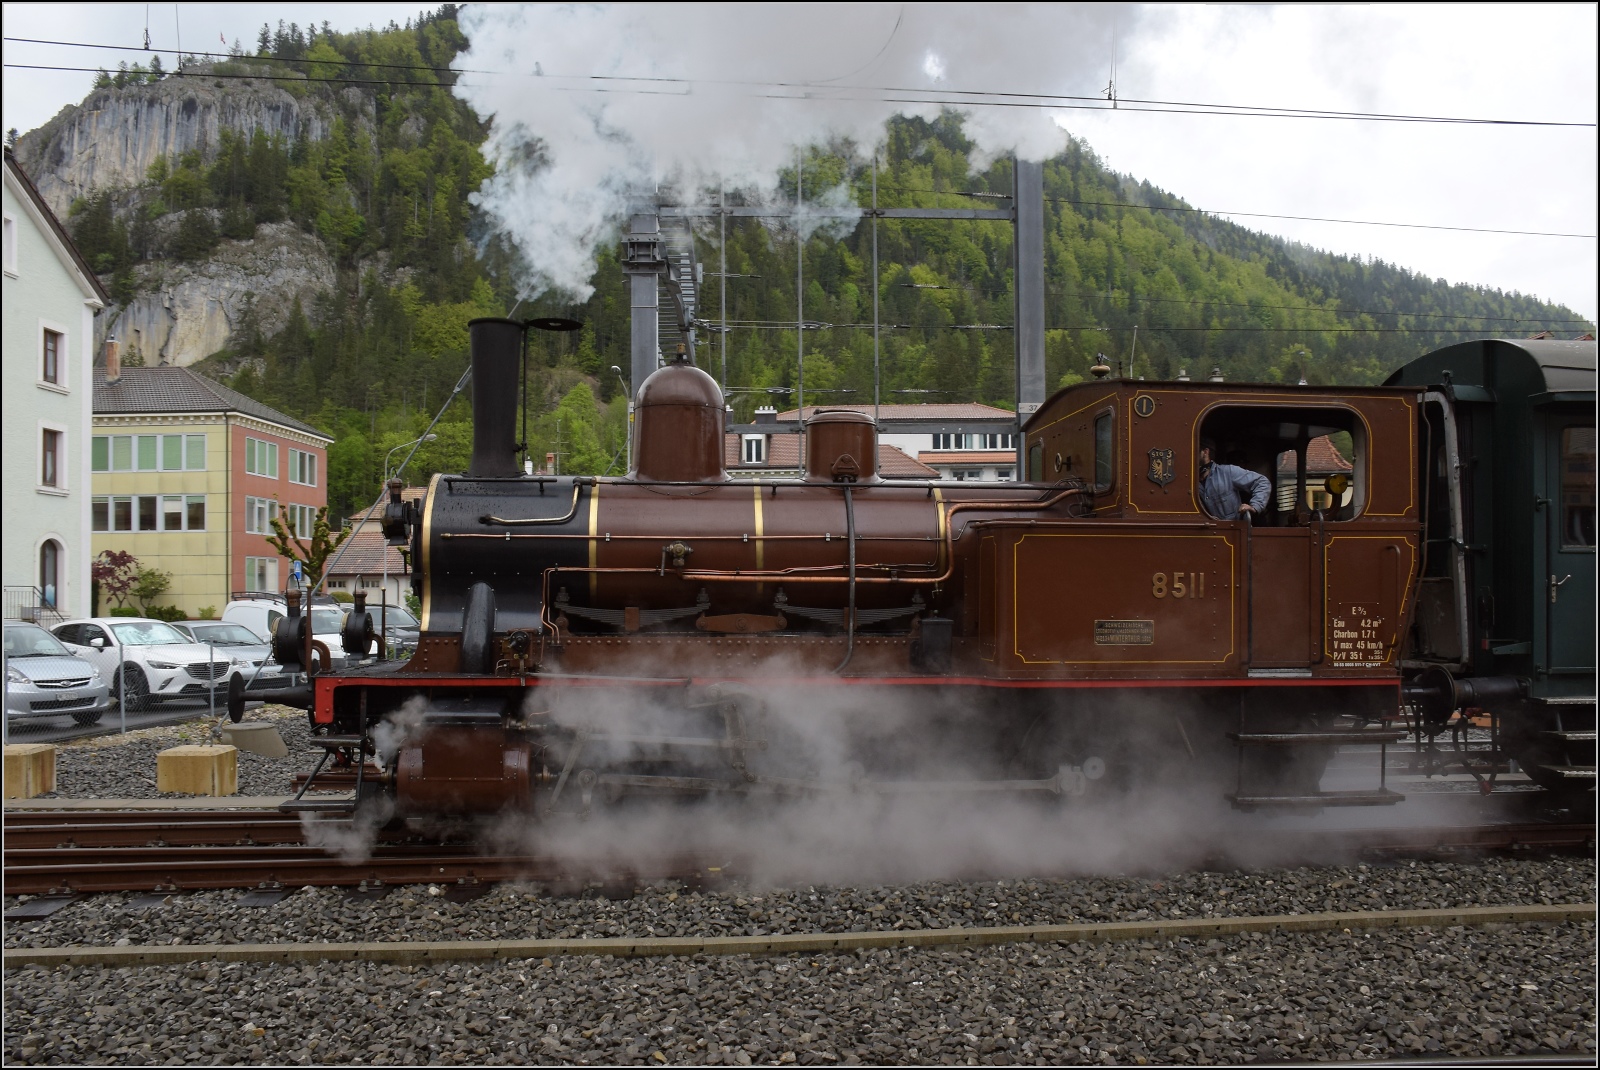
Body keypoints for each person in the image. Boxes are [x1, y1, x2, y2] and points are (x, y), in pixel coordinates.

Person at [1197, 441, 1270, 520]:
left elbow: (1262, 482)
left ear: (1205, 452)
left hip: (1233, 530)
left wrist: (1255, 506)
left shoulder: (1228, 471)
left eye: (1194, 453)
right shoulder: (1191, 482)